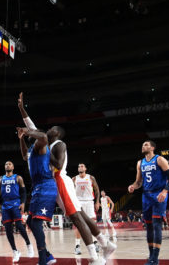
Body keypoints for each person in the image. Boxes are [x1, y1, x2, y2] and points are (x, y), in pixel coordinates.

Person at [18, 92, 115, 264]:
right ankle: (104, 243)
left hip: (59, 180)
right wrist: (21, 109)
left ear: (57, 133)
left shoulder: (58, 144)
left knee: (76, 217)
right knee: (81, 216)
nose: (49, 129)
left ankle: (94, 256)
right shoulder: (46, 143)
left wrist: (46, 150)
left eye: (52, 129)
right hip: (52, 182)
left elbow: (59, 166)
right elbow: (31, 127)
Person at [128, 140, 169, 265]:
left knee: (156, 224)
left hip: (159, 194)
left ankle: (155, 257)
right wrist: (133, 186)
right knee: (148, 226)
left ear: (153, 147)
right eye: (143, 144)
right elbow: (138, 182)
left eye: (146, 144)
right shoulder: (140, 163)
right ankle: (151, 255)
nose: (143, 146)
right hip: (146, 195)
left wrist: (165, 191)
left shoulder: (160, 160)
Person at [16, 127, 57, 265]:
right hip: (38, 188)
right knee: (29, 222)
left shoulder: (41, 145)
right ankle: (47, 255)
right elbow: (24, 156)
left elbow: (44, 137)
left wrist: (26, 130)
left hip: (46, 186)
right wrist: (21, 138)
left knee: (36, 223)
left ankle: (42, 261)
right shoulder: (31, 150)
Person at [0, 161, 34, 262]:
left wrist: (23, 203)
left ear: (13, 167)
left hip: (15, 203)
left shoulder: (18, 178)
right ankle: (15, 251)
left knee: (19, 226)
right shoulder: (0, 179)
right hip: (5, 205)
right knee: (8, 230)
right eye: (6, 164)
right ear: (4, 167)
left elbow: (23, 191)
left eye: (10, 164)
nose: (8, 165)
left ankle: (29, 244)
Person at [73, 163, 102, 255]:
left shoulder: (91, 178)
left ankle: (95, 243)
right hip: (78, 202)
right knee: (78, 224)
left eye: (82, 166)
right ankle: (77, 246)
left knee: (92, 223)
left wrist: (97, 202)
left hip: (89, 201)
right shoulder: (74, 179)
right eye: (78, 166)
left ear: (85, 168)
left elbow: (97, 190)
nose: (80, 167)